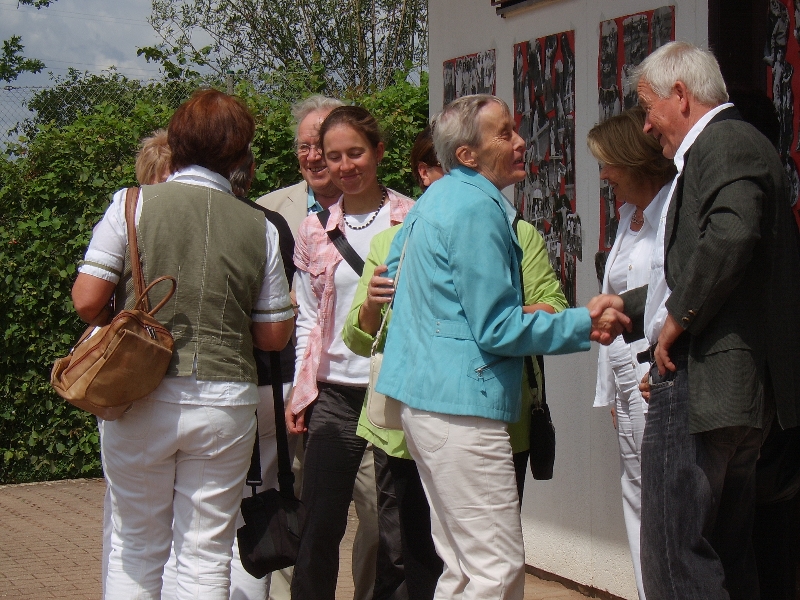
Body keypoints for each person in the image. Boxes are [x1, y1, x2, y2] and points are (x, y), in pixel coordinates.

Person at [373, 94, 626, 600]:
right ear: (467, 155)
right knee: (497, 570)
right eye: (505, 132)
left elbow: (395, 279)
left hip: (430, 406)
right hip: (461, 411)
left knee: (463, 569)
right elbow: (496, 329)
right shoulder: (474, 209)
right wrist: (584, 323)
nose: (520, 141)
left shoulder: (435, 202)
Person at [589, 41, 800, 600]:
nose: (646, 126)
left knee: (673, 553)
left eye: (648, 108)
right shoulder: (722, 148)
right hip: (723, 390)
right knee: (722, 554)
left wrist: (675, 323)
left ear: (680, 95)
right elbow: (703, 269)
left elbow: (731, 235)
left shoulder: (726, 141)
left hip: (707, 386)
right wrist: (633, 311)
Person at [72, 89, 295, 599]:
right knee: (206, 554)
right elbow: (272, 335)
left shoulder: (132, 202)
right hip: (226, 401)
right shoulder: (259, 226)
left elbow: (87, 300)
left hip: (140, 394)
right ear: (241, 153)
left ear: (176, 142)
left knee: (136, 546)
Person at [343, 124, 569, 600]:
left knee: (472, 563)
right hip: (419, 423)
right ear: (428, 173)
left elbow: (549, 305)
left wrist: (506, 309)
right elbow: (360, 339)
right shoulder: (402, 237)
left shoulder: (514, 233)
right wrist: (372, 307)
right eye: (445, 172)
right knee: (429, 561)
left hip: (487, 414)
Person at [285, 105, 415, 600]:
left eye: (355, 153)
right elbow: (307, 320)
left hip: (394, 389)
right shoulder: (313, 229)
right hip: (334, 394)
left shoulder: (414, 217)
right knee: (318, 526)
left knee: (394, 532)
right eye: (334, 156)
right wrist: (301, 391)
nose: (345, 166)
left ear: (378, 152)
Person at [257, 94, 382, 600]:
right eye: (307, 147)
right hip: (313, 388)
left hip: (378, 387)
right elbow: (298, 313)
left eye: (327, 148)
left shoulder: (403, 215)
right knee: (309, 517)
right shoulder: (286, 216)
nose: (318, 158)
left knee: (381, 515)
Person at [587, 106, 676, 600]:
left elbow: (667, 296)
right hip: (625, 374)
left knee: (661, 493)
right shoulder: (627, 217)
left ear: (632, 158)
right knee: (636, 489)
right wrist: (610, 389)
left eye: (607, 163)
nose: (603, 175)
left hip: (653, 370)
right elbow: (613, 300)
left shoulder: (670, 210)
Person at [99, 128, 173, 598]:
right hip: (149, 374)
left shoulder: (126, 212)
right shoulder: (140, 211)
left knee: (131, 523)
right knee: (136, 520)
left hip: (129, 372)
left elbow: (90, 299)